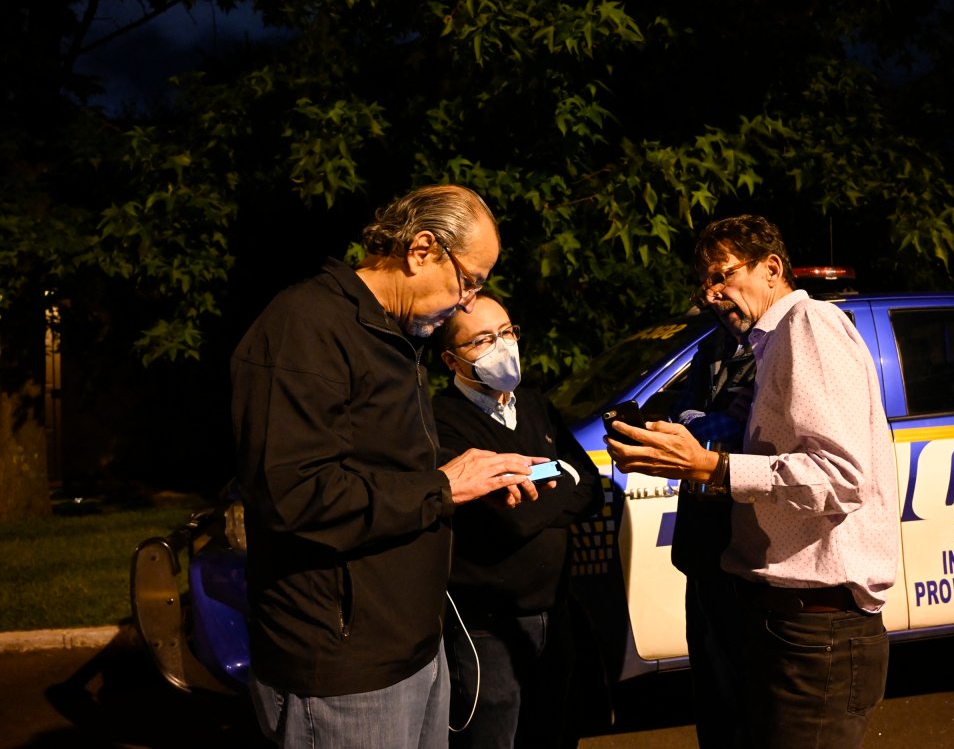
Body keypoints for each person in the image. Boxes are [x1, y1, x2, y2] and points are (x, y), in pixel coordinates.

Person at [231, 184, 550, 749]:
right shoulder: (305, 328)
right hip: (345, 668)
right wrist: (441, 488)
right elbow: (294, 494)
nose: (470, 302)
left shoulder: (392, 337)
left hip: (414, 648)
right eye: (469, 280)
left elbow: (381, 468)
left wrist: (466, 474)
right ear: (423, 249)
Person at [606, 214, 898, 749]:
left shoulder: (808, 326)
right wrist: (662, 445)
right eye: (704, 283)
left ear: (771, 268)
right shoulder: (765, 346)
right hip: (782, 617)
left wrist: (711, 468)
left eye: (722, 275)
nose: (712, 294)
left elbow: (840, 476)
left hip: (820, 627)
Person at [432, 294, 603, 749]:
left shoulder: (534, 404)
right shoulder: (441, 422)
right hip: (486, 626)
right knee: (492, 738)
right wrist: (558, 479)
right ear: (452, 358)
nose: (503, 346)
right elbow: (502, 524)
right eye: (483, 340)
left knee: (555, 733)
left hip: (556, 611)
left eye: (507, 332)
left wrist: (535, 492)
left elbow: (590, 490)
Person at [668, 309, 755, 749]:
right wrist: (712, 422)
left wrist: (703, 424)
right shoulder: (714, 343)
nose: (711, 294)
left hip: (752, 552)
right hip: (703, 546)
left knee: (749, 697)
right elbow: (679, 414)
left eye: (720, 278)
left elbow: (759, 433)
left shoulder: (783, 344)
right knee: (714, 692)